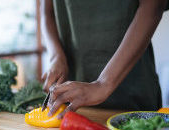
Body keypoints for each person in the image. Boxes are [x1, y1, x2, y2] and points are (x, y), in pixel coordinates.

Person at [41, 0, 169, 118]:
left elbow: (154, 5)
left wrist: (103, 84)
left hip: (133, 95)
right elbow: (46, 12)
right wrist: (55, 55)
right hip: (72, 103)